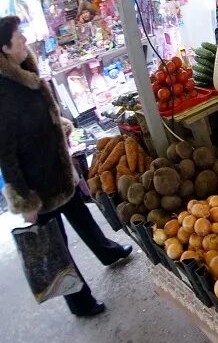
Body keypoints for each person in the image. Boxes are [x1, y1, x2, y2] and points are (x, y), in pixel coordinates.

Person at [0, 16, 131, 316]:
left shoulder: (26, 72)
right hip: (36, 184)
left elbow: (43, 115)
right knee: (56, 244)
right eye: (17, 36)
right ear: (5, 47)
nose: (24, 39)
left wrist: (61, 129)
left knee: (82, 216)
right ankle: (80, 301)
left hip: (57, 168)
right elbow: (5, 154)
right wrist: (25, 200)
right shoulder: (4, 93)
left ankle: (108, 253)